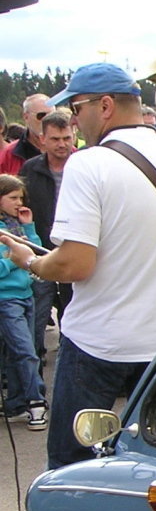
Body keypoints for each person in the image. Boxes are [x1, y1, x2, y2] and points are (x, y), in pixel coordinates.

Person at [0, 62, 156, 468]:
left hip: (99, 342)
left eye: (77, 109)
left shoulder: (88, 163)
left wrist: (30, 260)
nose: (74, 121)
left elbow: (75, 264)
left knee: (73, 467)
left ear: (106, 106)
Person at [18, 110, 75, 368]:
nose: (62, 144)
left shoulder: (83, 164)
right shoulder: (30, 170)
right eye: (55, 139)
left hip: (75, 248)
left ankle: (71, 357)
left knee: (73, 309)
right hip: (40, 247)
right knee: (40, 309)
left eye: (66, 138)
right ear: (43, 140)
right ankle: (35, 359)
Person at [0, 174, 47, 428]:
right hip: (6, 298)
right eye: (13, 198)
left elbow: (37, 253)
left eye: (21, 197)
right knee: (26, 352)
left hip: (26, 294)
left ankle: (16, 402)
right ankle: (35, 403)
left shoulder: (17, 225)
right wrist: (12, 260)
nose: (19, 202)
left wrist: (28, 227)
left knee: (18, 351)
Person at [0, 94, 50, 175]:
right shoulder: (8, 155)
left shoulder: (69, 151)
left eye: (52, 115)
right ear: (26, 117)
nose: (47, 121)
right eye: (41, 115)